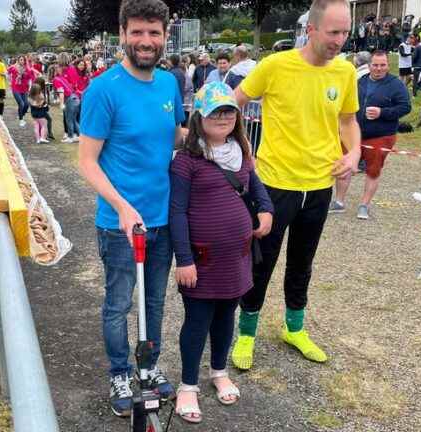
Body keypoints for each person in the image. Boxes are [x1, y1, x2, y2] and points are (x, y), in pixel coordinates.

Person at [230, 0, 361, 370]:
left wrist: (352, 156)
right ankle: (246, 334)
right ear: (312, 29)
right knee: (262, 262)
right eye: (333, 32)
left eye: (345, 32)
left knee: (303, 261)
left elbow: (348, 121)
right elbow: (233, 103)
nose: (340, 40)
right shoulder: (274, 65)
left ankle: (295, 328)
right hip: (274, 185)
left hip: (319, 186)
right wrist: (241, 150)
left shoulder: (346, 73)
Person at [78, 0, 186, 417]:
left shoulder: (168, 85)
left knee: (155, 302)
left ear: (165, 35)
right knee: (119, 304)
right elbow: (86, 162)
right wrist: (122, 206)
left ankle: (149, 366)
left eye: (154, 32)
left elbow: (173, 137)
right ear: (122, 34)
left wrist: (212, 134)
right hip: (120, 225)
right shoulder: (103, 89)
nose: (146, 41)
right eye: (138, 32)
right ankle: (121, 372)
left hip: (162, 220)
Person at [169, 81, 273, 423]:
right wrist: (183, 259)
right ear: (200, 116)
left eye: (229, 110)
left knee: (226, 317)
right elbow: (177, 212)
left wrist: (266, 210)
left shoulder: (241, 152)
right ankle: (187, 385)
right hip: (201, 260)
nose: (224, 116)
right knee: (198, 322)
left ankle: (218, 371)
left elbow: (256, 187)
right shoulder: (187, 161)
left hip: (238, 257)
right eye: (216, 111)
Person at [331, 50, 410, 220]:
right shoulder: (360, 81)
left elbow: (405, 107)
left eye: (383, 65)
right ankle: (338, 202)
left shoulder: (396, 85)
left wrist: (383, 112)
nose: (379, 68)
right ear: (369, 65)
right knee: (344, 165)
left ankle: (364, 205)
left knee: (372, 171)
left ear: (388, 65)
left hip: (381, 135)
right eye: (375, 65)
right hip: (354, 133)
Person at [53, 63, 80, 143]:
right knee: (74, 120)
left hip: (69, 99)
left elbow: (61, 92)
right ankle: (80, 135)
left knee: (69, 119)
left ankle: (70, 137)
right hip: (75, 98)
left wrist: (61, 104)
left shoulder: (56, 79)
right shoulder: (62, 78)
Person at [8, 56, 33, 127]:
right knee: (21, 104)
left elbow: (30, 78)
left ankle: (21, 115)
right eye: (21, 60)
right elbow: (7, 72)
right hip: (15, 88)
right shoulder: (13, 67)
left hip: (24, 89)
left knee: (27, 104)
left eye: (23, 60)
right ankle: (21, 120)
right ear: (18, 60)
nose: (22, 61)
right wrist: (10, 81)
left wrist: (30, 87)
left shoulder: (27, 69)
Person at [29, 77, 50, 144]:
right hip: (40, 114)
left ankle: (38, 139)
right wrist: (44, 104)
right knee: (44, 125)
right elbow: (41, 104)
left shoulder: (31, 97)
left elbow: (33, 104)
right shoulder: (40, 96)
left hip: (33, 114)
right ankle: (43, 138)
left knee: (36, 126)